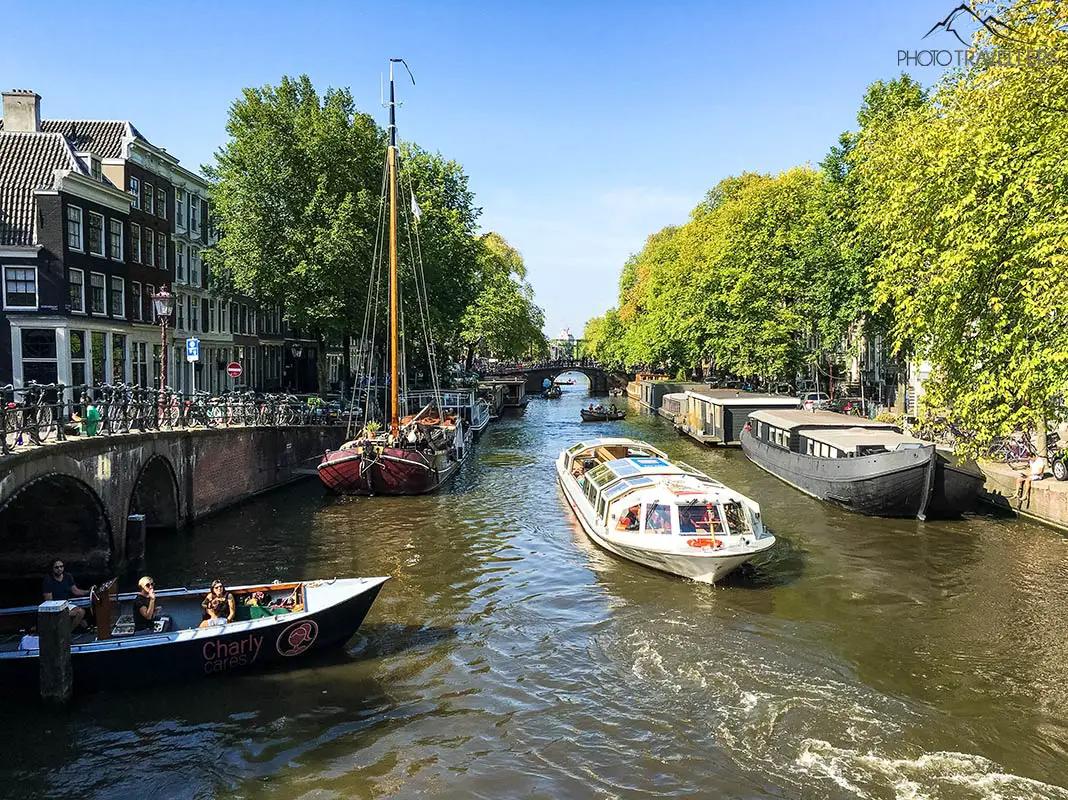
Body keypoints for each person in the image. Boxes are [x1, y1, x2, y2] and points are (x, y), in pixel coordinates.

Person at [42, 560, 88, 629]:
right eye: (56, 567)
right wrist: (65, 611)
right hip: (55, 607)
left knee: (81, 612)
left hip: (66, 604)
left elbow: (75, 591)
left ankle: (67, 633)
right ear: (52, 569)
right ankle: (65, 634)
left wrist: (88, 592)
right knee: (77, 617)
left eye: (61, 566)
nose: (59, 569)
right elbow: (49, 601)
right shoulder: (48, 580)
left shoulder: (67, 576)